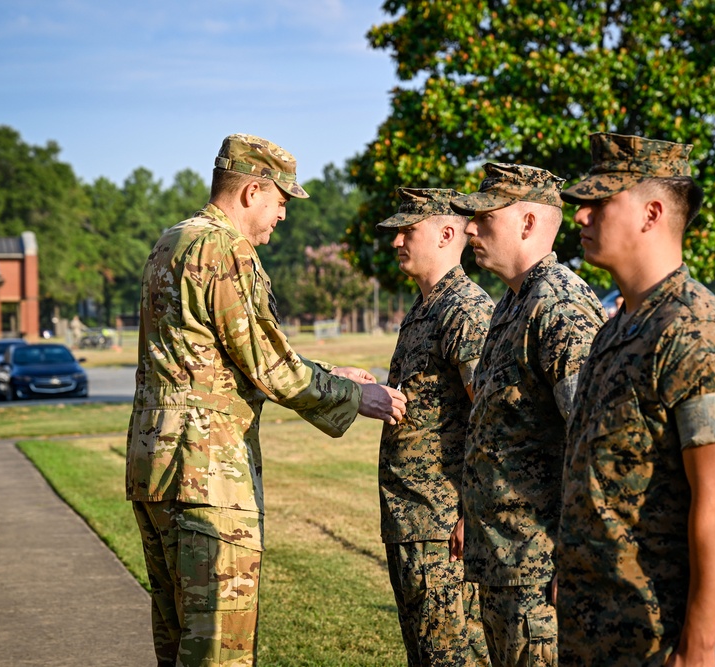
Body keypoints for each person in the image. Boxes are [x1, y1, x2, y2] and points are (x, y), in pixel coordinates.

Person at [125, 133, 407, 667]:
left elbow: (221, 359)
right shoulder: (226, 249)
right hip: (208, 476)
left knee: (177, 642)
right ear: (252, 191)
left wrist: (326, 372)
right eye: (281, 200)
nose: (282, 214)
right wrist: (356, 396)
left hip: (157, 469)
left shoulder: (173, 240)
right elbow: (268, 365)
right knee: (217, 652)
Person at [557, 133, 715, 666]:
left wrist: (697, 648)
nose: (580, 218)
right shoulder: (617, 326)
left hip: (657, 638)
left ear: (651, 213)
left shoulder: (697, 331)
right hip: (596, 628)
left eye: (599, 204)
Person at [450, 163, 606, 667]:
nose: (471, 227)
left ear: (529, 222)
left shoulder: (557, 304)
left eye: (484, 215)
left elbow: (592, 441)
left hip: (540, 572)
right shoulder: (513, 304)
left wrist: (578, 556)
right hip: (506, 563)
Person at [376, 187, 494, 667]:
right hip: (412, 522)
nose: (396, 241)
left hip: (444, 529)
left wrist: (473, 512)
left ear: (448, 233)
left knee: (455, 657)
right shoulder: (424, 308)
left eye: (409, 230)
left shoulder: (464, 311)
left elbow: (489, 418)